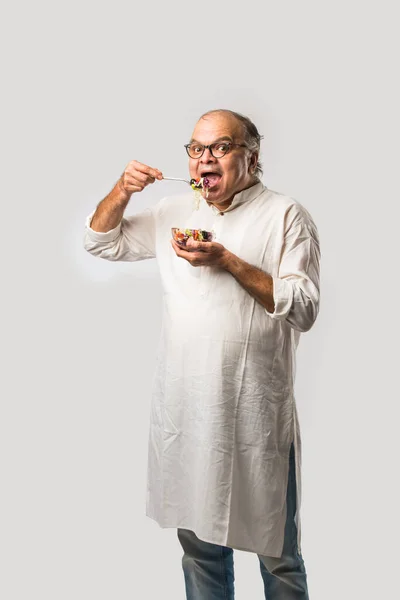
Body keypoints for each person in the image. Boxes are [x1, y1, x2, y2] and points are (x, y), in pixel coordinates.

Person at [83, 109, 321, 599]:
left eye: (221, 147)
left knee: (279, 560)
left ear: (252, 157)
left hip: (256, 418)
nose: (204, 159)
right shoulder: (175, 212)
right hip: (188, 417)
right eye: (196, 149)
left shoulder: (285, 215)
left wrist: (229, 261)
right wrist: (123, 190)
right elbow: (99, 242)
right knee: (201, 554)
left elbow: (303, 307)